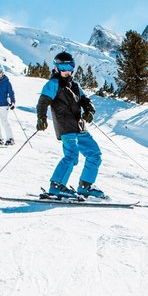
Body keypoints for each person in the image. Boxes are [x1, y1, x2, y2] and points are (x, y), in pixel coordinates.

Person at [35, 52, 104, 198]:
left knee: (94, 154)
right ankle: (57, 185)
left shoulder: (75, 85)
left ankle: (85, 186)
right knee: (72, 155)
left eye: (70, 67)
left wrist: (90, 111)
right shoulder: (53, 84)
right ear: (56, 68)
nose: (67, 71)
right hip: (65, 126)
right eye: (63, 67)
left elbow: (86, 101)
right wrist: (41, 118)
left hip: (79, 126)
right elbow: (43, 102)